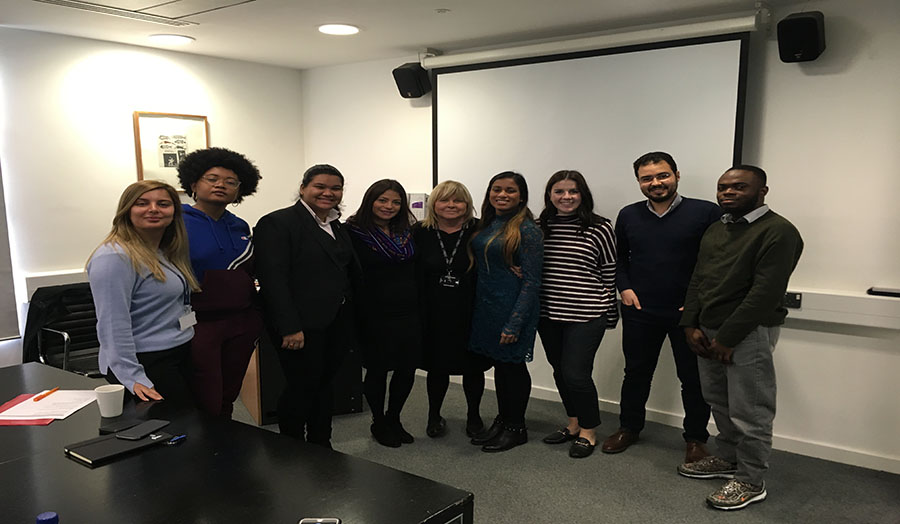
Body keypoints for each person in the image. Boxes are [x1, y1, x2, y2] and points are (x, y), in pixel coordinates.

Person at [678, 165, 803, 511]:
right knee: (719, 400)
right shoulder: (717, 229)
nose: (728, 193)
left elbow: (765, 292)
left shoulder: (779, 231)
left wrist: (729, 337)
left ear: (762, 192)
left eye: (739, 187)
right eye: (722, 187)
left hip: (748, 333)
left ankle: (750, 479)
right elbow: (699, 279)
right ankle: (729, 457)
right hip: (708, 330)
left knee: (751, 410)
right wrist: (690, 324)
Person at [602, 151, 721, 464]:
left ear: (676, 176)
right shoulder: (628, 214)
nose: (655, 183)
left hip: (688, 313)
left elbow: (715, 262)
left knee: (693, 379)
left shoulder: (706, 212)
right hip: (640, 311)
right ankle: (629, 427)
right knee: (636, 373)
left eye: (662, 175)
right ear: (639, 182)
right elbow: (620, 258)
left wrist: (697, 303)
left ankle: (695, 439)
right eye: (647, 178)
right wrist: (624, 288)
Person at [254, 164, 358, 449]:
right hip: (299, 325)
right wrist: (289, 327)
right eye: (320, 186)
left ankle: (321, 443)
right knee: (301, 386)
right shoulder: (278, 223)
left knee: (324, 384)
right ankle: (291, 446)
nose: (328, 193)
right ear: (303, 188)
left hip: (335, 322)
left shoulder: (335, 224)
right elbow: (273, 278)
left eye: (335, 188)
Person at [87, 180, 200, 402]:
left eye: (163, 204)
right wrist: (131, 376)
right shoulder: (114, 257)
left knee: (188, 427)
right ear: (127, 210)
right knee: (171, 429)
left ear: (174, 212)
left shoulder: (165, 251)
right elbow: (112, 323)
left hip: (177, 352)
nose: (154, 209)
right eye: (142, 203)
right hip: (145, 362)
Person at [177, 147, 263, 418]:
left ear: (240, 190)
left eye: (230, 182)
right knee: (206, 391)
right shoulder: (176, 222)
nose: (220, 185)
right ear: (194, 184)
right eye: (212, 178)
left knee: (230, 390)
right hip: (199, 322)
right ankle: (206, 451)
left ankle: (225, 443)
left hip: (241, 321)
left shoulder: (240, 226)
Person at [537, 170, 617, 458]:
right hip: (547, 314)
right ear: (550, 195)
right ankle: (572, 424)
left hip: (586, 314)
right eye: (559, 191)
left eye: (573, 191)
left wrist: (610, 313)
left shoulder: (600, 227)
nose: (566, 197)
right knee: (560, 372)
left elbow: (609, 271)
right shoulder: (539, 227)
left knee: (576, 374)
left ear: (583, 195)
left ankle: (589, 430)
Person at [468, 171, 543, 453]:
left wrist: (514, 323)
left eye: (510, 190)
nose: (502, 195)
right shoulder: (489, 223)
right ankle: (503, 419)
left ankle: (516, 428)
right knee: (501, 366)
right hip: (487, 306)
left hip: (514, 308)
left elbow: (533, 281)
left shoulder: (527, 229)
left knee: (512, 367)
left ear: (521, 196)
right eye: (496, 189)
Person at [413, 181, 491, 439]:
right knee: (437, 367)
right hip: (432, 312)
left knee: (473, 367)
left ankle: (474, 416)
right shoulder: (420, 232)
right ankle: (434, 415)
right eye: (444, 200)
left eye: (458, 201)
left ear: (467, 205)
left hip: (471, 310)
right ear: (434, 204)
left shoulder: (481, 230)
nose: (451, 205)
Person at [347, 179, 422, 448]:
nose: (389, 206)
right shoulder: (352, 232)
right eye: (383, 200)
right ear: (371, 201)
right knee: (377, 370)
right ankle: (378, 421)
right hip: (373, 313)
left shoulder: (407, 232)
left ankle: (394, 418)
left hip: (409, 312)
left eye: (395, 202)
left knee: (406, 369)